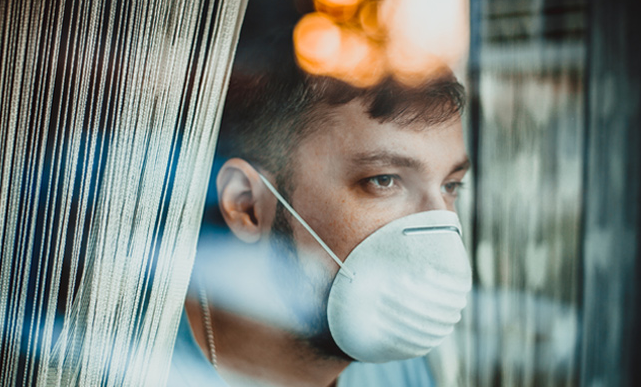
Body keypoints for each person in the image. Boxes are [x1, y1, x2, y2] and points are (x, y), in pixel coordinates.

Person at [166, 33, 472, 387]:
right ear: (247, 205)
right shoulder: (128, 360)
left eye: (450, 186)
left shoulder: (398, 368)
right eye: (384, 181)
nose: (436, 229)